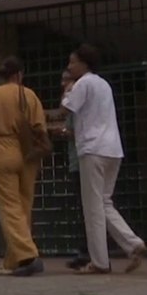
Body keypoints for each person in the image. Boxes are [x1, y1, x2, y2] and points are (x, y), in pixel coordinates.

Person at [63, 43, 147, 275]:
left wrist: (65, 93)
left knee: (93, 208)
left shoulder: (82, 84)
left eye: (72, 62)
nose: (69, 67)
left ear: (84, 63)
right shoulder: (103, 84)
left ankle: (99, 262)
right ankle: (133, 243)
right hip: (112, 149)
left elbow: (65, 112)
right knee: (104, 202)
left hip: (92, 149)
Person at [0, 56, 47, 277]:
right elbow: (39, 127)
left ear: (2, 76)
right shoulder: (30, 95)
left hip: (2, 148)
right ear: (19, 75)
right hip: (28, 153)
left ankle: (28, 254)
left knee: (9, 207)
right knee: (23, 206)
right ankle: (14, 261)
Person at [46, 70, 90, 271]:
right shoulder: (72, 105)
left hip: (82, 160)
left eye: (67, 80)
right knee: (82, 208)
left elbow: (75, 129)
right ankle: (85, 251)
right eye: (62, 80)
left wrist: (60, 131)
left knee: (87, 208)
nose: (63, 84)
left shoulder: (77, 103)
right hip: (76, 159)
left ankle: (88, 252)